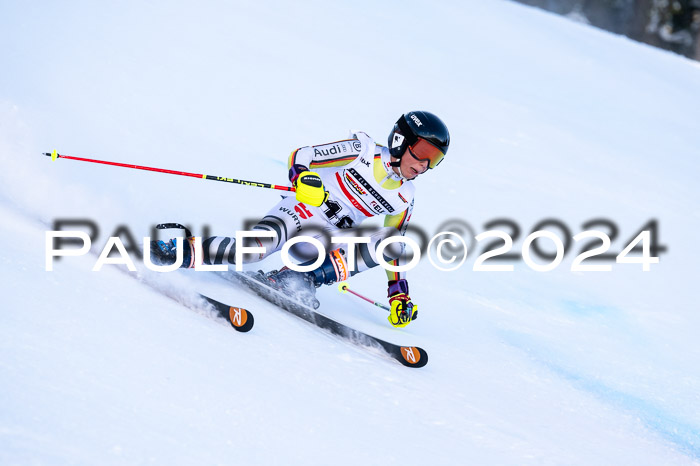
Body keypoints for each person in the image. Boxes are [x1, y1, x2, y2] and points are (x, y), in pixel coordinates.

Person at [151, 111, 450, 328]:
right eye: (422, 152)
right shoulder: (362, 151)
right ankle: (177, 251)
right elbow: (304, 155)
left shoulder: (404, 197)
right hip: (301, 212)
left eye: (433, 160)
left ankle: (297, 280)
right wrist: (303, 177)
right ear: (401, 140)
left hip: (326, 240)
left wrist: (398, 294)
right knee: (252, 251)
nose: (424, 165)